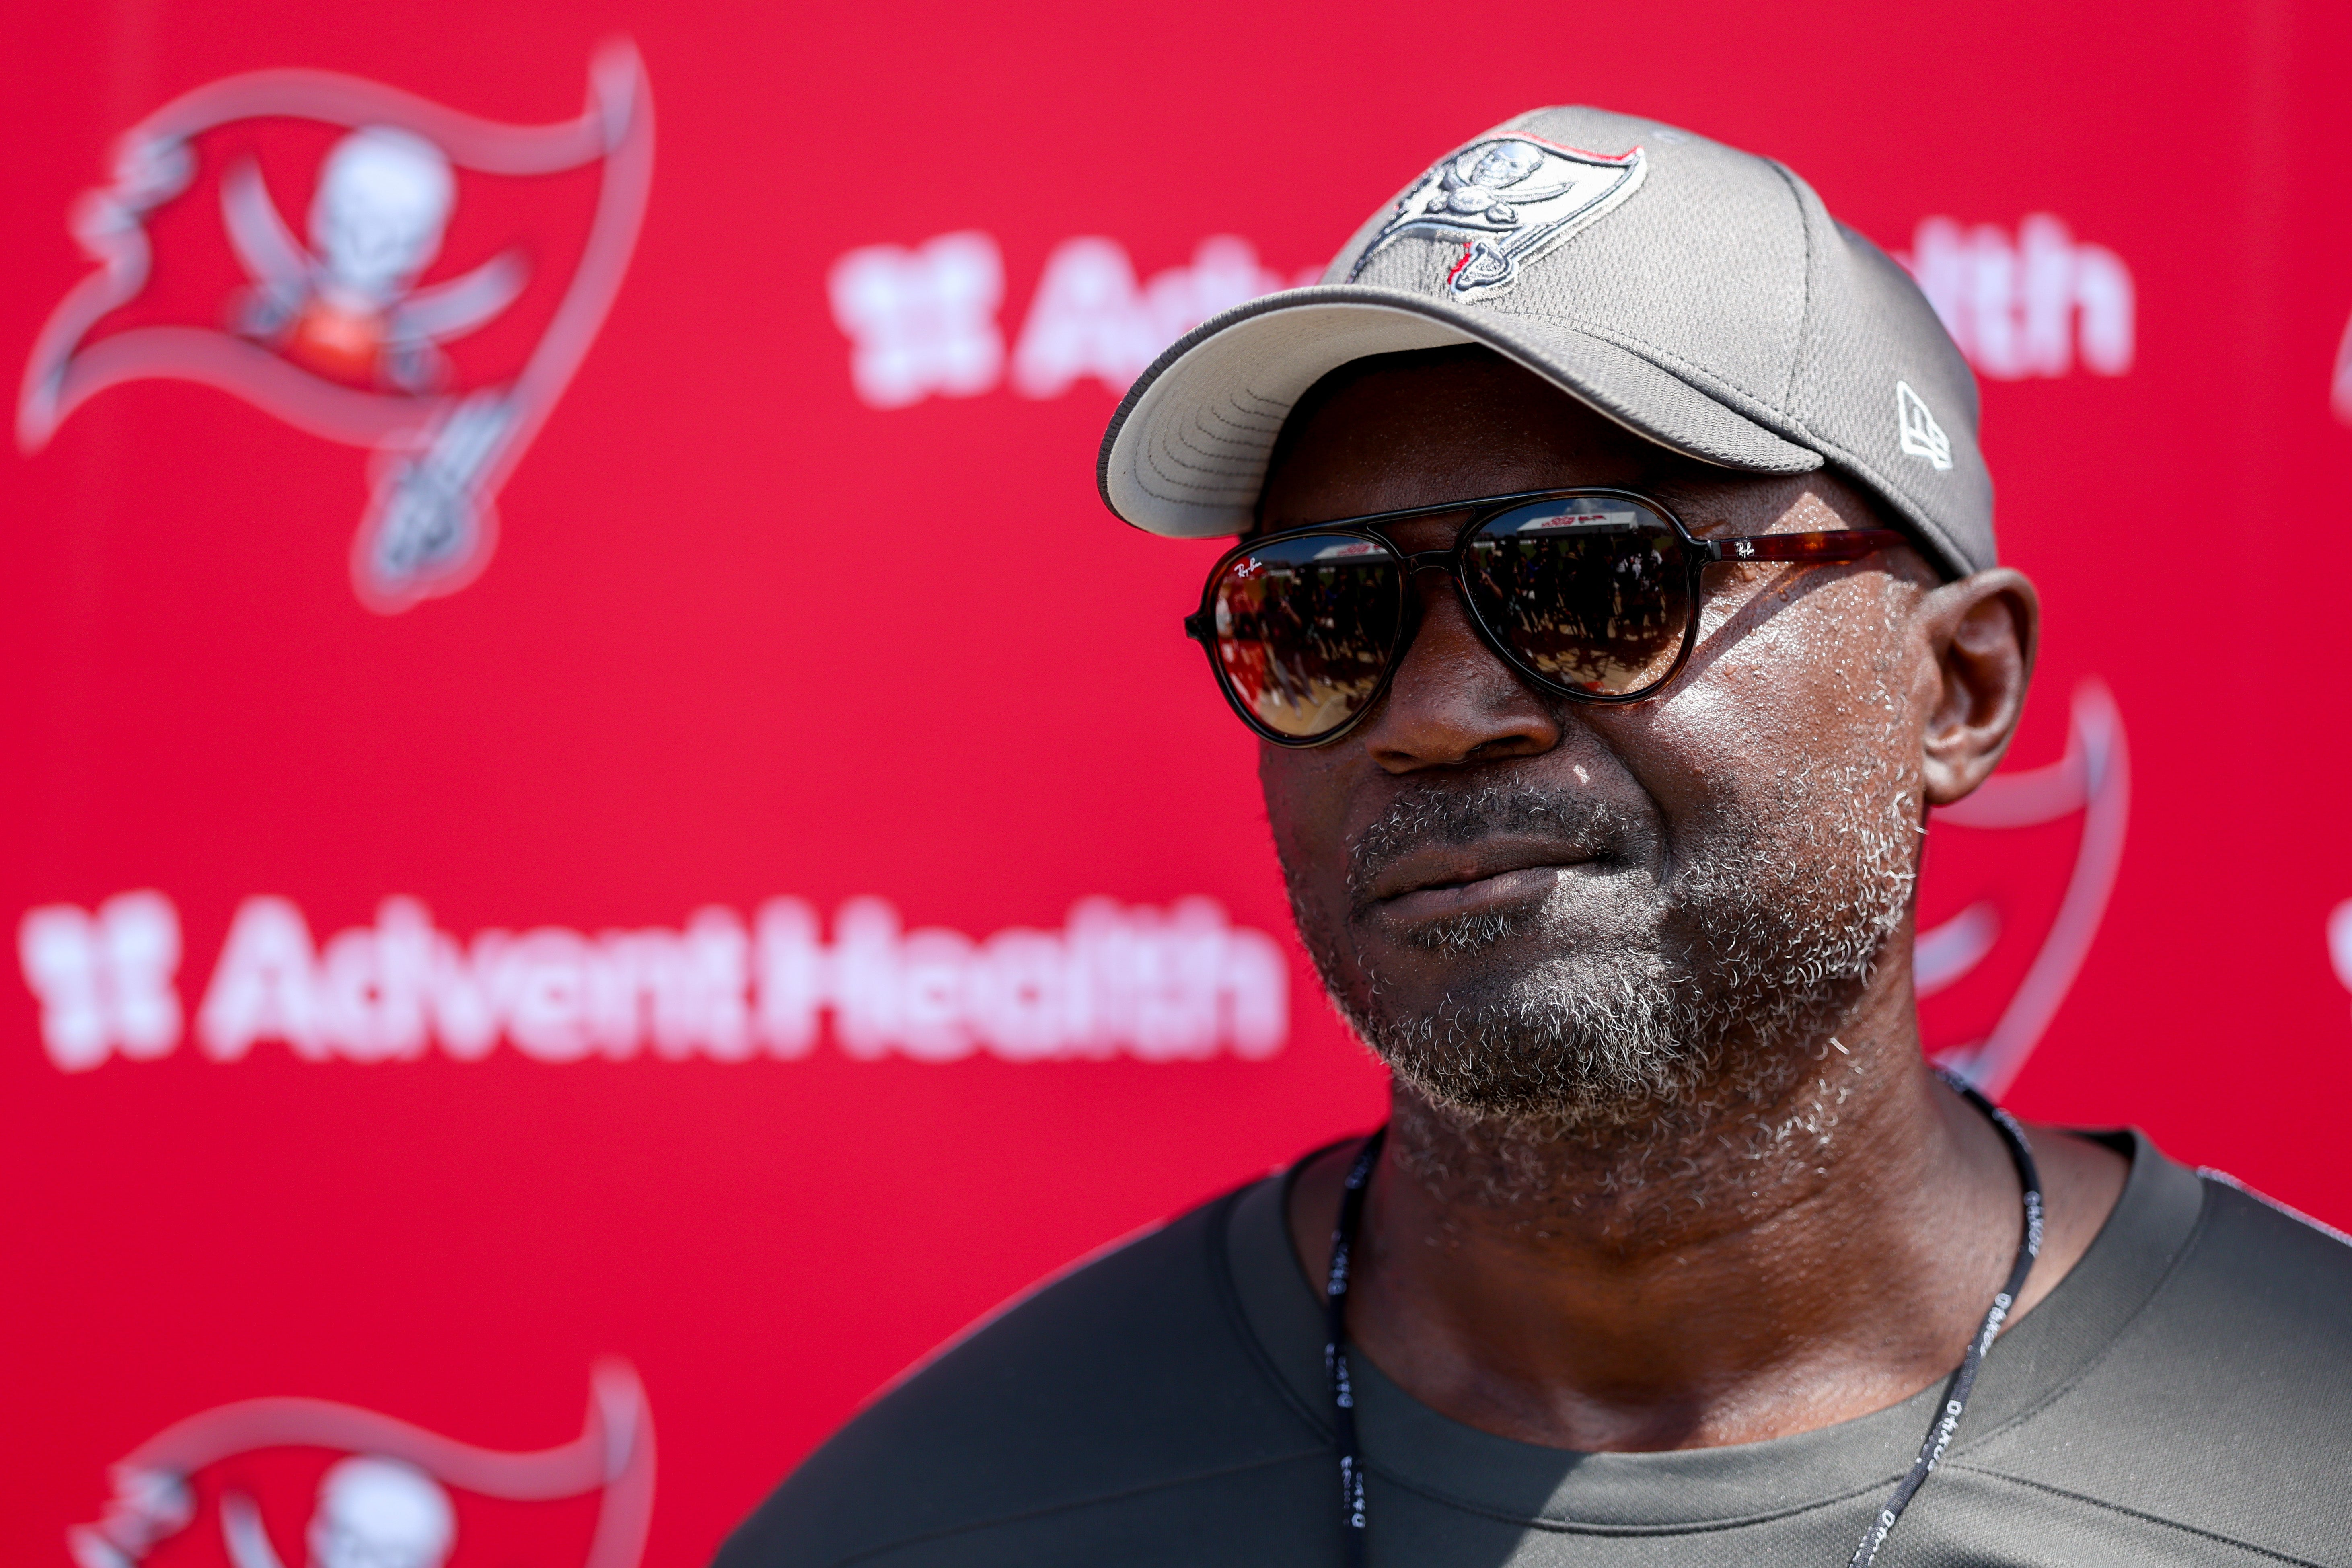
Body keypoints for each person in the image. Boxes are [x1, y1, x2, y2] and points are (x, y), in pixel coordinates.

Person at [718, 107, 2352, 1567]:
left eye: (1596, 585)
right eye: (1325, 617)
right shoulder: (953, 1516)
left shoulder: (2301, 1468)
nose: (1435, 709)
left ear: (1957, 689)